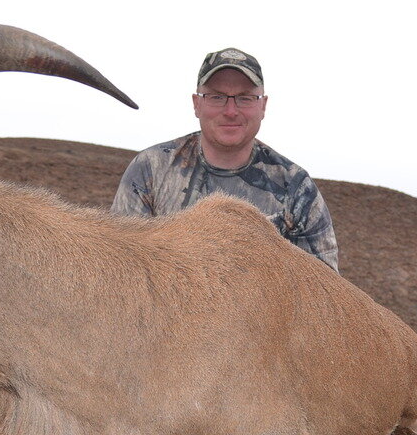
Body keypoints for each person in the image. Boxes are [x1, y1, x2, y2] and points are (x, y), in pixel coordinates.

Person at [111, 48, 339, 271]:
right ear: (196, 103)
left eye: (245, 98)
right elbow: (122, 268)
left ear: (263, 106)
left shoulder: (296, 187)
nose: (231, 111)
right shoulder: (150, 169)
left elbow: (325, 292)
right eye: (216, 97)